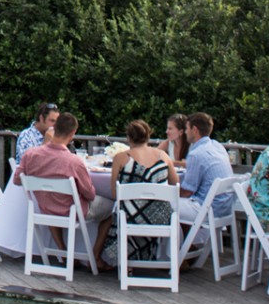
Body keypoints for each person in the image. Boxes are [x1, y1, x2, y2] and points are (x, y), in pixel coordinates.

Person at [12, 112, 113, 247]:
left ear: (54, 129)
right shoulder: (74, 162)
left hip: (46, 208)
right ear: (72, 134)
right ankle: (96, 257)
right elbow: (89, 194)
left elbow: (17, 180)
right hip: (72, 211)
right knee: (113, 208)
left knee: (51, 199)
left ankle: (62, 250)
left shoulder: (30, 155)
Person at [96, 119, 179, 269]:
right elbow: (175, 184)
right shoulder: (163, 156)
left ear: (128, 138)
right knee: (133, 211)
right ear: (148, 136)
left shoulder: (121, 158)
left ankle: (104, 259)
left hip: (131, 218)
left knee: (113, 215)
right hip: (161, 218)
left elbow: (115, 193)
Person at [177, 112, 234, 229]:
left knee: (164, 205)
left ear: (194, 130)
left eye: (187, 128)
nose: (186, 132)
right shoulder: (218, 146)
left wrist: (168, 191)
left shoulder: (196, 154)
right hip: (224, 208)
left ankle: (173, 246)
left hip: (207, 209)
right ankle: (188, 244)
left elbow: (187, 191)